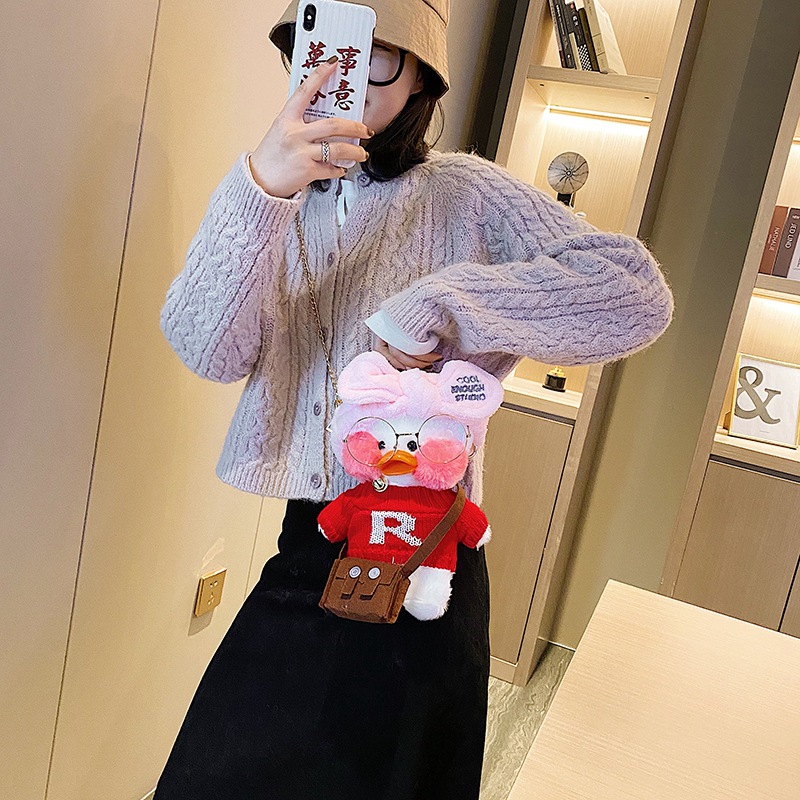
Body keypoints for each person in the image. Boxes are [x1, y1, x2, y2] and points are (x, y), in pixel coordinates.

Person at [153, 1, 674, 798]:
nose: (347, 73)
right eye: (327, 46)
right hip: (311, 542)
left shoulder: (462, 192)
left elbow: (634, 293)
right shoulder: (270, 194)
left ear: (422, 77)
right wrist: (262, 188)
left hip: (429, 557)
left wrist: (447, 302)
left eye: (379, 54)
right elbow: (207, 350)